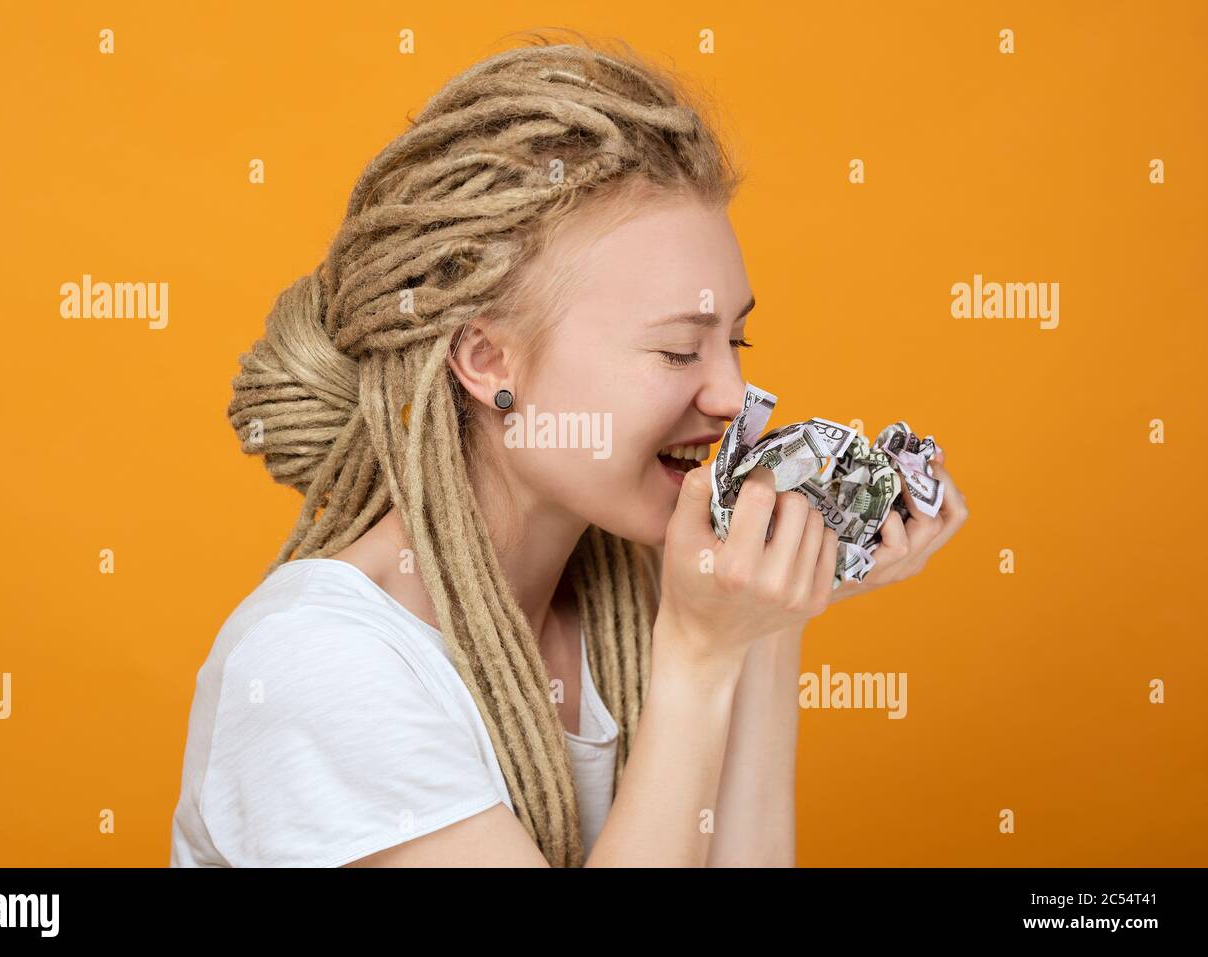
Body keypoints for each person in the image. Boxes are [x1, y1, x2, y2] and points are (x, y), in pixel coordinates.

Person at [169, 32, 968, 868]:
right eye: (676, 349)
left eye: (738, 340)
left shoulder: (655, 601)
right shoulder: (318, 662)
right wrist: (703, 656)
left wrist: (769, 623)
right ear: (488, 362)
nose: (732, 396)